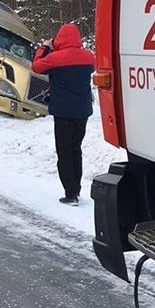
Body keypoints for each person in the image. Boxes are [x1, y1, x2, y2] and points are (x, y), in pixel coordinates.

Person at [32, 22, 96, 206]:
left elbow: (36, 67)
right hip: (82, 112)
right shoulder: (88, 57)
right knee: (76, 150)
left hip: (63, 112)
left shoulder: (55, 58)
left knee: (64, 152)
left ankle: (70, 194)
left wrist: (45, 47)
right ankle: (76, 189)